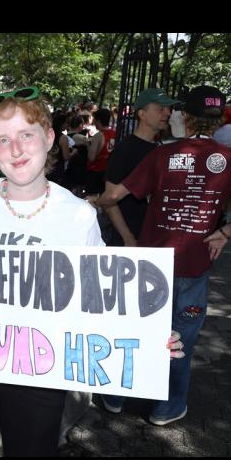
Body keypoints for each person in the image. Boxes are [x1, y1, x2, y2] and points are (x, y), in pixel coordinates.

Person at [0, 86, 106, 456]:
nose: (15, 150)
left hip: (41, 360)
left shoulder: (79, 215)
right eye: (3, 139)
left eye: (26, 135)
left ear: (49, 138)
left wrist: (149, 336)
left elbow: (102, 300)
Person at [98, 85, 231, 426]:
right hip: (194, 264)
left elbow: (114, 196)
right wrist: (225, 232)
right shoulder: (227, 159)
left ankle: (114, 397)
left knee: (135, 330)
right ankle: (167, 408)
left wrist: (94, 201)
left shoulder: (163, 155)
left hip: (150, 264)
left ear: (185, 117)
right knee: (181, 338)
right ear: (219, 120)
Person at [102, 88, 180, 247]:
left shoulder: (161, 148)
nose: (167, 113)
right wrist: (127, 237)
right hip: (132, 240)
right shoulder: (125, 149)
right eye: (161, 109)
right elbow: (109, 199)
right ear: (142, 114)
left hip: (156, 236)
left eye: (168, 109)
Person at [85, 107, 117, 194]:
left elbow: (91, 158)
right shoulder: (115, 133)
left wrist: (88, 146)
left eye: (94, 119)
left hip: (96, 173)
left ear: (98, 121)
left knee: (93, 199)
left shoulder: (98, 136)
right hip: (108, 173)